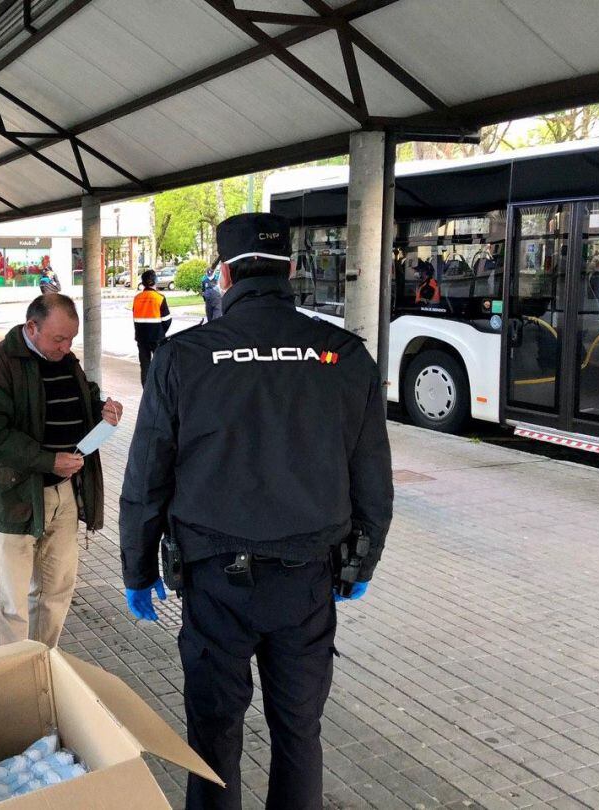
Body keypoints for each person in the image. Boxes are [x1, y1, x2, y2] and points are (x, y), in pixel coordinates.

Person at [118, 213, 393, 810]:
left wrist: (138, 569)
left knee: (214, 736)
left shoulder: (183, 357)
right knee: (299, 732)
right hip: (309, 580)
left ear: (223, 272)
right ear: (290, 270)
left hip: (215, 579)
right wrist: (362, 564)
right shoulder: (344, 356)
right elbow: (373, 478)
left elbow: (148, 478)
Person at [0, 293, 123, 648]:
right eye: (58, 339)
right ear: (31, 327)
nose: (67, 347)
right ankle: (9, 680)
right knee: (11, 601)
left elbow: (82, 396)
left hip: (64, 493)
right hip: (15, 497)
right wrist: (47, 460)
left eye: (71, 338)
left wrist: (101, 409)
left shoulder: (66, 360)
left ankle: (41, 662)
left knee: (56, 590)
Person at [132, 269, 172, 386]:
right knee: (160, 365)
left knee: (145, 366)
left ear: (143, 283)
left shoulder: (137, 298)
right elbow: (167, 320)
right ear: (155, 281)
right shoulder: (159, 298)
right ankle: (160, 389)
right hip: (157, 338)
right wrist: (161, 332)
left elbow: (135, 319)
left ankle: (146, 391)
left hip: (141, 338)